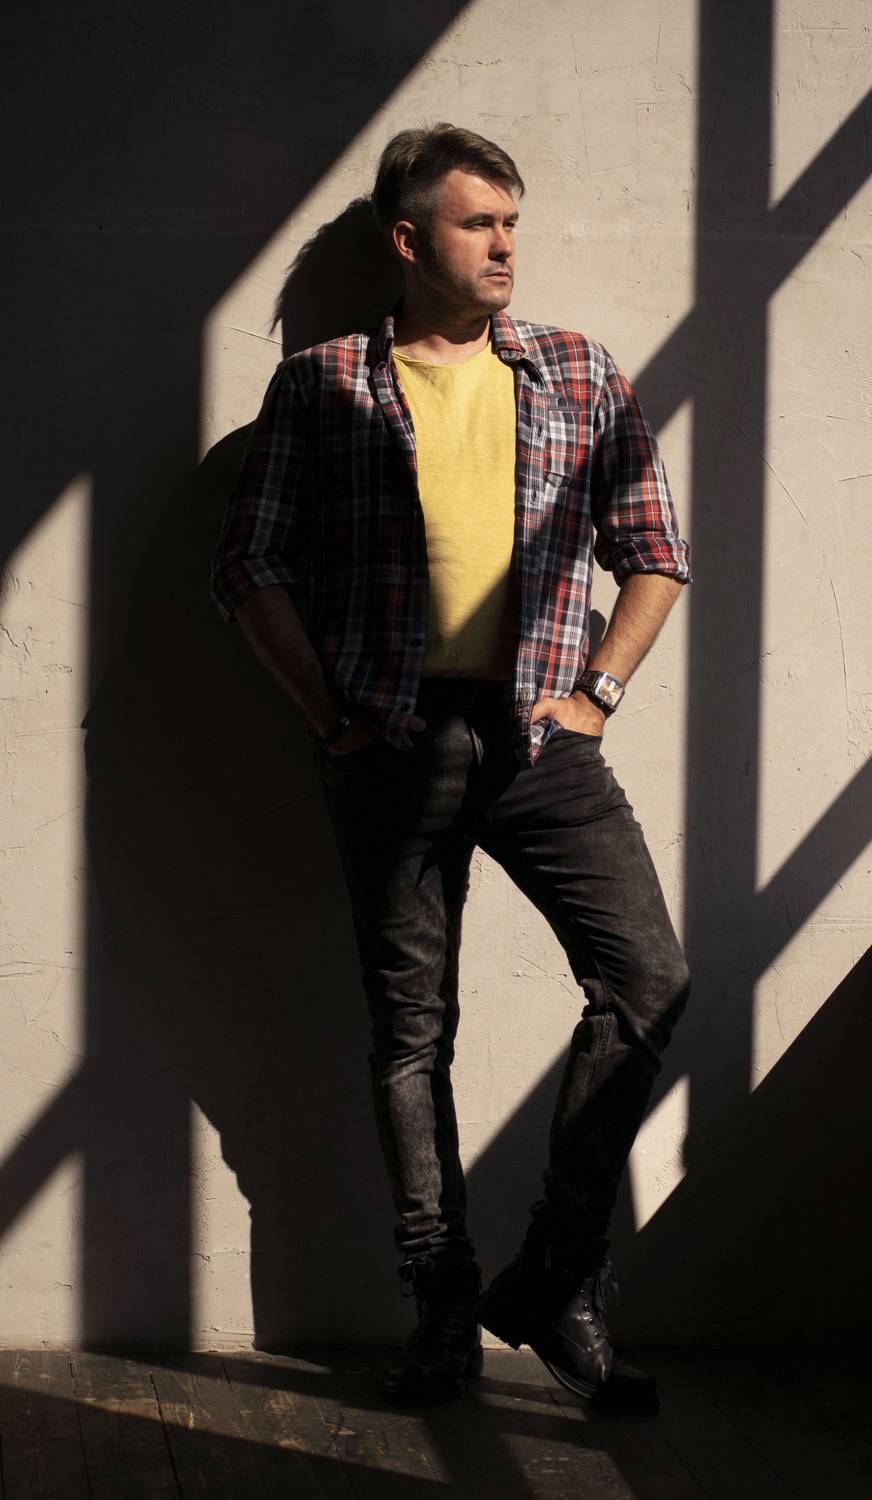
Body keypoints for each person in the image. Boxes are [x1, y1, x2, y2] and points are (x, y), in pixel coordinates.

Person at [210, 123, 691, 1412]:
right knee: (412, 1034)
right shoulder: (325, 384)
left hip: (541, 742)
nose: (506, 247)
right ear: (409, 240)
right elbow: (247, 563)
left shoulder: (578, 371)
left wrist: (596, 694)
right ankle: (440, 1307)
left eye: (513, 223)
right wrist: (332, 717)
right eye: (480, 224)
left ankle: (556, 1280)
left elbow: (654, 549)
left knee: (648, 981)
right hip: (392, 741)